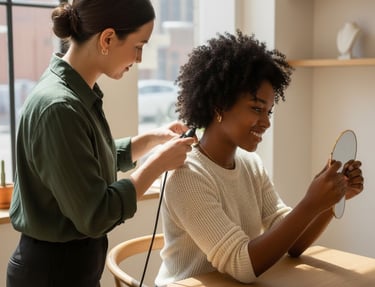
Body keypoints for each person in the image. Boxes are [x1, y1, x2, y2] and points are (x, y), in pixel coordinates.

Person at [6, 1, 194, 287]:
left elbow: (83, 163)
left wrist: (152, 139)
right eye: (139, 46)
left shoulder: (75, 93)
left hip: (69, 269)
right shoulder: (60, 107)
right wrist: (157, 164)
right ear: (107, 38)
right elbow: (96, 214)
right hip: (51, 275)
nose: (140, 59)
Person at [155, 30, 364, 286]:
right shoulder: (186, 175)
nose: (265, 122)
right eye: (256, 109)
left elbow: (293, 243)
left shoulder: (249, 164)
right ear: (219, 106)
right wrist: (310, 203)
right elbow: (242, 265)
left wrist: (328, 202)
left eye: (269, 112)